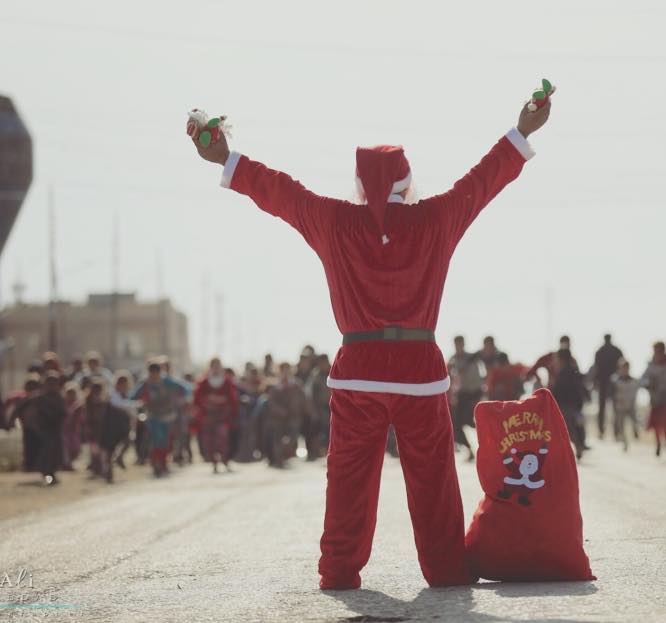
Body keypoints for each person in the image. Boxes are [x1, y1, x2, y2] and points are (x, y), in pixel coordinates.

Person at [189, 90, 550, 589]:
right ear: (407, 181)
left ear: (359, 183)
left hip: (357, 370)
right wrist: (523, 130)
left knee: (349, 480)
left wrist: (225, 156)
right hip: (420, 371)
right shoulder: (436, 218)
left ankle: (338, 572)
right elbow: (482, 181)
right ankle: (445, 570)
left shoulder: (335, 220)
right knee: (434, 482)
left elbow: (279, 191)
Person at [132, 361, 189, 477]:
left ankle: (163, 464)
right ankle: (156, 464)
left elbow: (185, 389)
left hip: (167, 416)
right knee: (156, 439)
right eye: (152, 373)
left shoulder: (167, 381)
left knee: (166, 442)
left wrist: (181, 400)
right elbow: (133, 396)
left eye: (156, 373)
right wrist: (140, 402)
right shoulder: (145, 384)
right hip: (152, 416)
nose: (154, 375)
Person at [14, 372, 67, 486]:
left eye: (54, 384)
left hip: (56, 430)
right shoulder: (40, 397)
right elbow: (22, 406)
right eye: (49, 383)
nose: (52, 386)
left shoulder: (59, 398)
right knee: (47, 455)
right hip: (44, 430)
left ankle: (51, 475)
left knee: (55, 455)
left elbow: (63, 412)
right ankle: (48, 476)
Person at [193, 357, 240, 473]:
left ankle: (225, 460)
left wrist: (229, 410)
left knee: (222, 438)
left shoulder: (226, 382)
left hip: (223, 416)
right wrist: (208, 403)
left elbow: (233, 399)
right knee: (210, 442)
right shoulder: (204, 382)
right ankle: (214, 463)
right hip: (208, 417)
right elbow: (197, 399)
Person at [448, 335, 484, 461]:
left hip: (475, 392)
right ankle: (469, 449)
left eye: (460, 344)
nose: (458, 346)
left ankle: (486, 440)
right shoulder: (453, 359)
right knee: (457, 424)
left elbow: (484, 359)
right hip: (462, 393)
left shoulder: (472, 357)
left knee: (471, 420)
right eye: (456, 344)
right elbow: (450, 377)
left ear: (463, 344)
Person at [550, 349, 590, 459]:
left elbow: (557, 391)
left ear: (561, 359)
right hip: (576, 404)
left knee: (568, 429)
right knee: (577, 426)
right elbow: (581, 387)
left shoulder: (563, 373)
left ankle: (578, 446)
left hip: (566, 405)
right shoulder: (573, 371)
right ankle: (579, 445)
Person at [592, 334, 624, 439]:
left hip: (604, 383)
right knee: (615, 408)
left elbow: (596, 368)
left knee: (604, 409)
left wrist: (595, 382)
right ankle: (615, 432)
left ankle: (603, 430)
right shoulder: (616, 350)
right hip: (612, 383)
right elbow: (621, 366)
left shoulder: (600, 351)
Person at [610, 358, 640, 451]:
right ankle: (625, 443)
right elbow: (611, 394)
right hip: (620, 406)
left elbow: (636, 391)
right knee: (621, 426)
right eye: (623, 368)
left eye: (626, 368)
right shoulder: (615, 381)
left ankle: (635, 431)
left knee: (634, 421)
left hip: (631, 405)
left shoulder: (634, 381)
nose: (624, 370)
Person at [61, 382, 85, 469]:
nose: (71, 396)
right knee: (66, 447)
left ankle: (69, 462)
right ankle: (66, 464)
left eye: (73, 393)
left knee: (76, 449)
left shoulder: (79, 405)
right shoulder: (63, 404)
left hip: (75, 431)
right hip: (65, 430)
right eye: (69, 393)